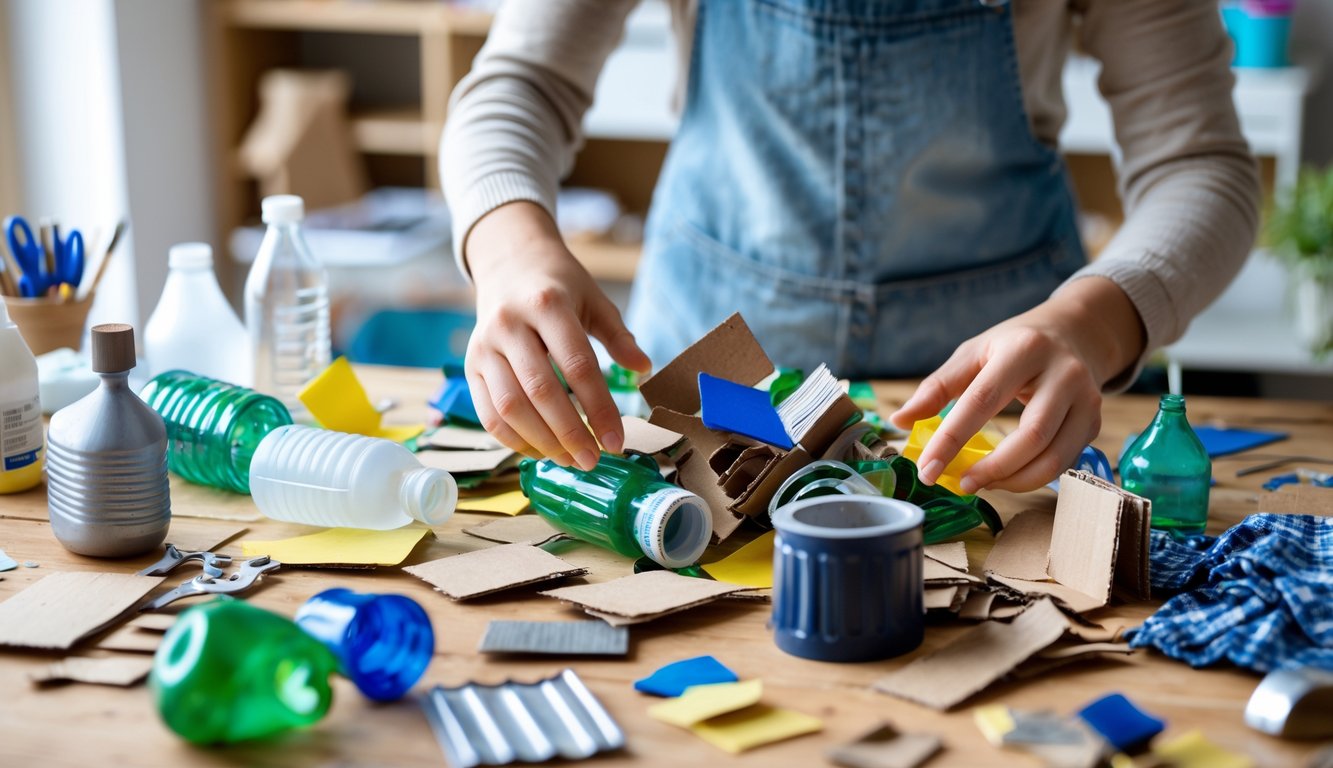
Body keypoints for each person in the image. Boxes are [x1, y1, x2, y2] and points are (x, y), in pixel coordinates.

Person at [442, 0, 1260, 493]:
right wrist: (510, 247)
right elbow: (519, 84)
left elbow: (1199, 165)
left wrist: (1090, 323)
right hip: (707, 361)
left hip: (1003, 402)